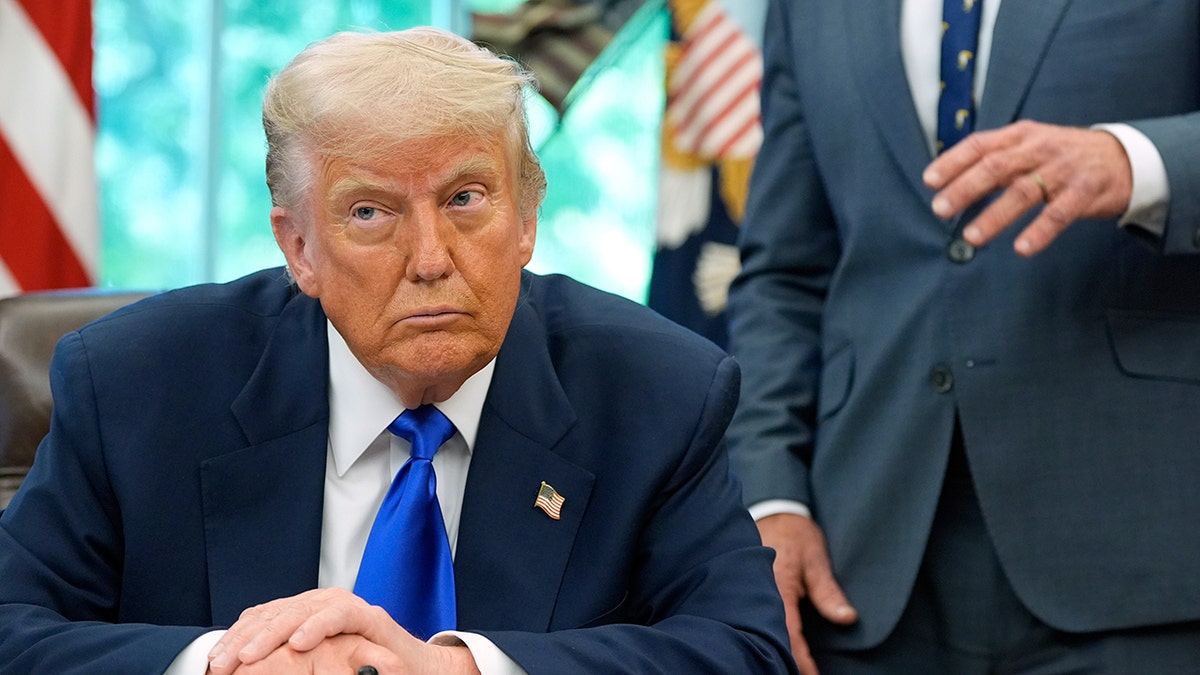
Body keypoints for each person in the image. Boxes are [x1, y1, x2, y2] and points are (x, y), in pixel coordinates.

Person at [0, 27, 797, 674]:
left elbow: (746, 648)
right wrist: (221, 664)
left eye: (465, 199)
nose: (429, 257)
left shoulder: (657, 390)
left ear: (526, 219)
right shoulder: (139, 383)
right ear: (300, 247)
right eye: (372, 212)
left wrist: (461, 671)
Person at [727, 1, 1200, 673]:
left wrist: (1140, 164)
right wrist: (770, 496)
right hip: (864, 573)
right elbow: (785, 273)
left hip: (1140, 558)